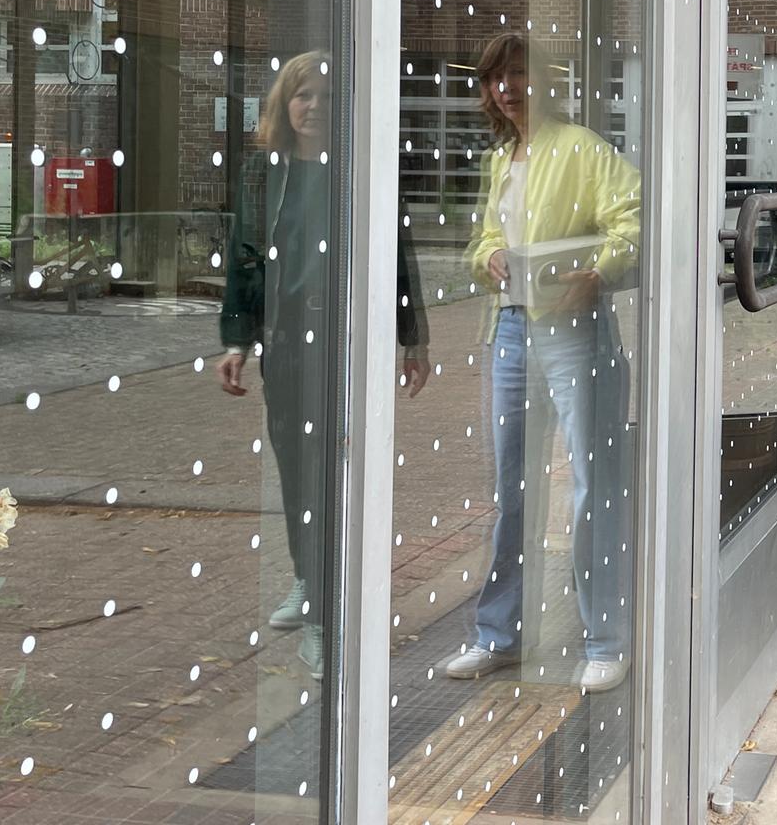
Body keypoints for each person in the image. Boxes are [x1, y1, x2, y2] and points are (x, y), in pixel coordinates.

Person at [217, 50, 430, 679]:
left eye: (326, 97)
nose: (313, 107)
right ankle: (309, 581)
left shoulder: (359, 169)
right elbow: (244, 259)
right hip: (287, 349)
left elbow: (396, 254)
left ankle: (326, 620)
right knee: (296, 475)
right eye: (302, 95)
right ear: (285, 106)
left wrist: (410, 339)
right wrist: (237, 339)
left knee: (333, 479)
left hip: (346, 346)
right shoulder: (265, 172)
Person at [444, 34, 642, 694]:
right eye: (496, 78)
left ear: (543, 82)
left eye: (520, 74)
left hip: (575, 331)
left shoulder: (581, 147)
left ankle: (605, 639)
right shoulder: (503, 158)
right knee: (514, 491)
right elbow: (484, 237)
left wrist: (599, 272)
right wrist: (489, 257)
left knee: (593, 486)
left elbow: (632, 223)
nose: (507, 88)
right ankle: (499, 637)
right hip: (510, 327)